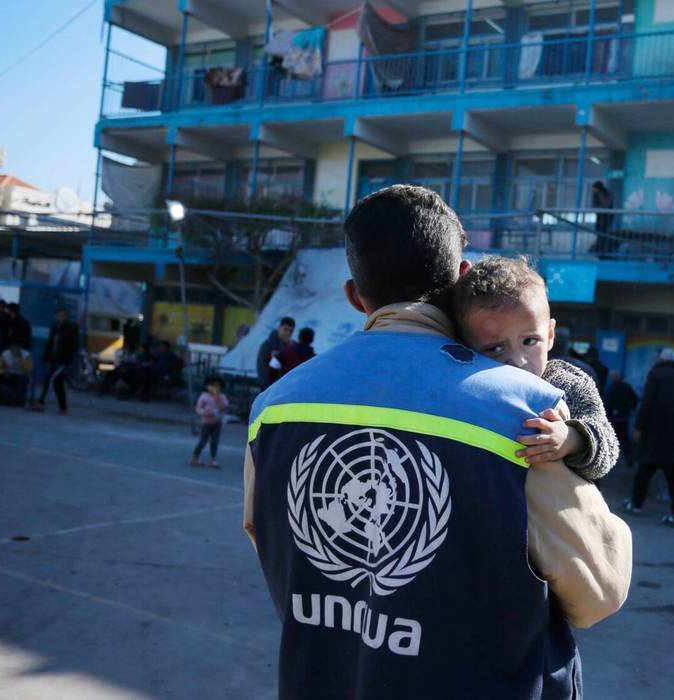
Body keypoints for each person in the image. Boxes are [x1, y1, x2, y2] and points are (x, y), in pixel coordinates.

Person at [243, 185, 631, 699]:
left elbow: (280, 552)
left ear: (355, 296)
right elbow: (600, 589)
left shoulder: (273, 408)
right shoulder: (525, 411)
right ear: (461, 278)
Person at [452, 256, 619, 482]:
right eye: (495, 348)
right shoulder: (467, 388)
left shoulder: (568, 383)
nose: (517, 360)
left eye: (529, 341)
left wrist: (571, 439)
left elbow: (608, 446)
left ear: (550, 335)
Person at [626, 349, 674, 528]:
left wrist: (639, 428)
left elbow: (647, 404)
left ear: (661, 360)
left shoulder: (655, 376)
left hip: (654, 436)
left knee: (644, 472)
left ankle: (636, 504)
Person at [34, 308, 79, 414]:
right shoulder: (55, 327)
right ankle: (63, 408)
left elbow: (73, 345)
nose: (60, 318)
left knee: (50, 379)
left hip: (63, 360)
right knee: (57, 383)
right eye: (59, 315)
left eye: (63, 315)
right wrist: (47, 356)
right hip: (54, 359)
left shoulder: (71, 328)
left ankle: (41, 402)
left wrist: (67, 358)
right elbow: (50, 342)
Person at [191, 375, 229, 468]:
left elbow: (225, 406)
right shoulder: (204, 396)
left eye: (217, 386)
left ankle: (213, 459)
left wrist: (218, 397)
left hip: (217, 423)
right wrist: (205, 412)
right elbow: (198, 409)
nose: (215, 388)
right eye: (213, 385)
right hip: (206, 423)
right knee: (203, 441)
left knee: (214, 441)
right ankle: (195, 457)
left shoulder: (221, 396)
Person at [605, 369, 639, 469]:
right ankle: (629, 459)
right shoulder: (626, 386)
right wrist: (630, 408)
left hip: (614, 419)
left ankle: (609, 461)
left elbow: (608, 404)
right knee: (625, 439)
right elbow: (635, 398)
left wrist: (607, 417)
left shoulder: (611, 388)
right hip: (624, 417)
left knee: (612, 439)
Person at [0, 339, 33, 407]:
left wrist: (20, 359)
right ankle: (2, 398)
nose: (15, 349)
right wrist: (3, 371)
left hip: (20, 375)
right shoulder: (5, 354)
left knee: (23, 379)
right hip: (8, 374)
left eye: (17, 347)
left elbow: (29, 370)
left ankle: (15, 400)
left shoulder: (26, 355)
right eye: (13, 347)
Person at [255, 316, 294, 389]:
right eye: (285, 329)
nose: (288, 333)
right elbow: (262, 367)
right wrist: (267, 387)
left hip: (285, 387)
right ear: (279, 328)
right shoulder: (267, 345)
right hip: (269, 387)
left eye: (291, 331)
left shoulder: (292, 345)